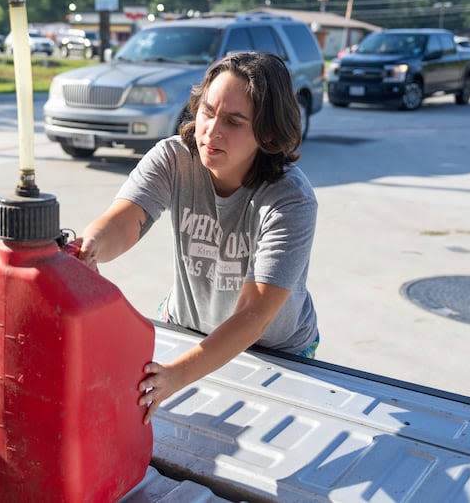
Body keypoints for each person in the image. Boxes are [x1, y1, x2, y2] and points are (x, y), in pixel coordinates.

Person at [73, 51, 319, 424]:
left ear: (267, 133)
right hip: (186, 327)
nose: (211, 130)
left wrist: (176, 376)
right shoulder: (173, 158)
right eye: (207, 111)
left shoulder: (291, 200)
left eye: (234, 121)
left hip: (276, 351)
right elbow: (124, 219)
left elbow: (254, 315)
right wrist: (89, 248)